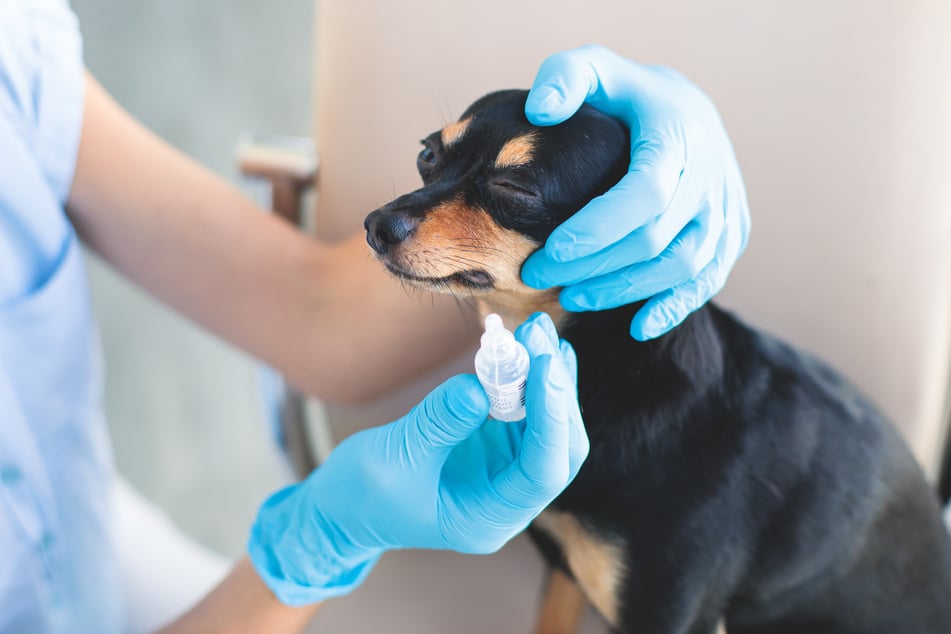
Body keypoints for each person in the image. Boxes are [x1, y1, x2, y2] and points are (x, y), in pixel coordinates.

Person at [0, 1, 750, 633]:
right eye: (433, 162)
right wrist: (310, 548)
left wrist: (616, 215)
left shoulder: (14, 48)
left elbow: (316, 312)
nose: (387, 220)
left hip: (82, 539)